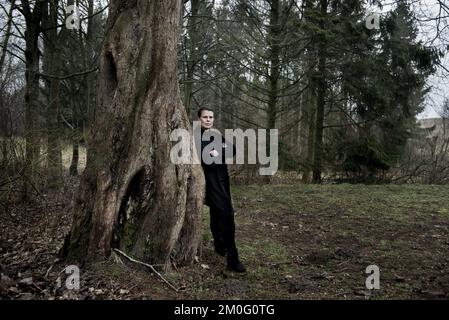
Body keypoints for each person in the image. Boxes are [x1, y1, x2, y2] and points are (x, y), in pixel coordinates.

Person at [197, 107, 246, 273]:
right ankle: (233, 258)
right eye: (205, 117)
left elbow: (232, 150)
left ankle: (219, 246)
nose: (208, 120)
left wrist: (216, 152)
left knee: (217, 214)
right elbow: (208, 162)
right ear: (199, 119)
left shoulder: (216, 134)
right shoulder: (197, 136)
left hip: (223, 180)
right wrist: (218, 153)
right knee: (226, 214)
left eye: (211, 117)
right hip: (211, 181)